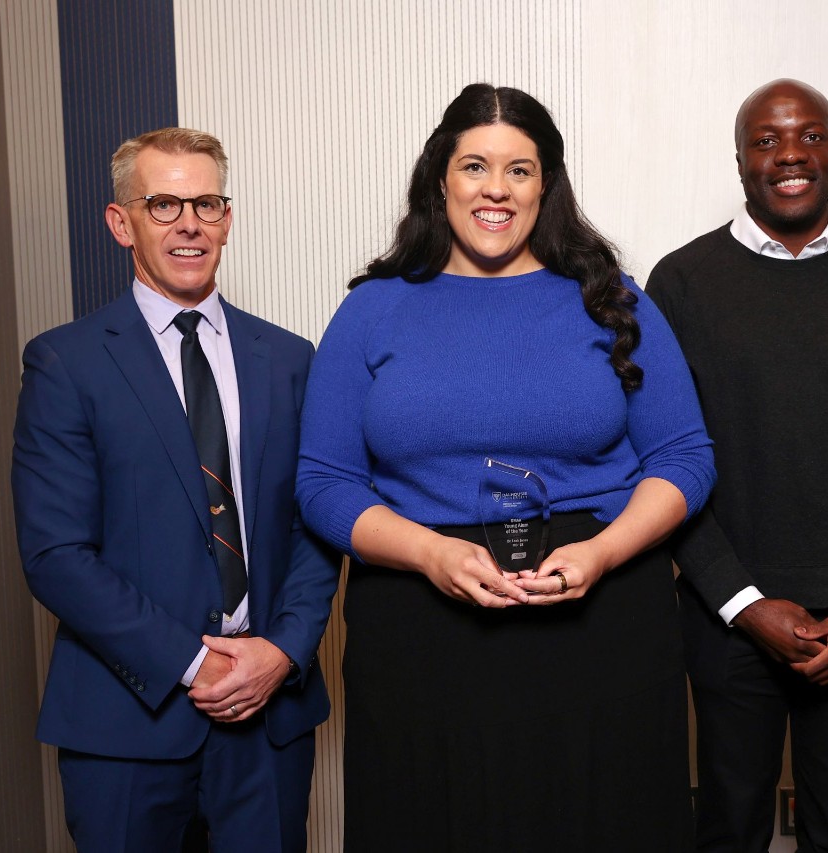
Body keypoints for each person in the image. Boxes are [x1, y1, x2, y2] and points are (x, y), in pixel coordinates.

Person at [295, 83, 715, 851]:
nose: (496, 189)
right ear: (440, 178)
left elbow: (684, 458)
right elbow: (324, 482)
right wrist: (430, 552)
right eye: (475, 166)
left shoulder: (614, 301)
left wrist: (603, 552)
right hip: (422, 631)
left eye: (519, 170)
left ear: (546, 185)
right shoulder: (372, 309)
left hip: (602, 623)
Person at [11, 128, 340, 852]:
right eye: (163, 204)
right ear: (120, 221)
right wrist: (192, 662)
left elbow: (315, 524)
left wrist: (281, 652)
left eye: (207, 203)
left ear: (227, 217)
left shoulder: (288, 359)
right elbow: (56, 553)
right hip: (126, 721)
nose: (189, 222)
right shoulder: (66, 363)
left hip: (269, 719)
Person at [646, 79, 828, 852]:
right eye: (767, 140)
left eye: (810, 135)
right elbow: (663, 461)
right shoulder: (681, 283)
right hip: (729, 618)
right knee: (729, 827)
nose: (791, 153)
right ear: (740, 162)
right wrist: (743, 601)